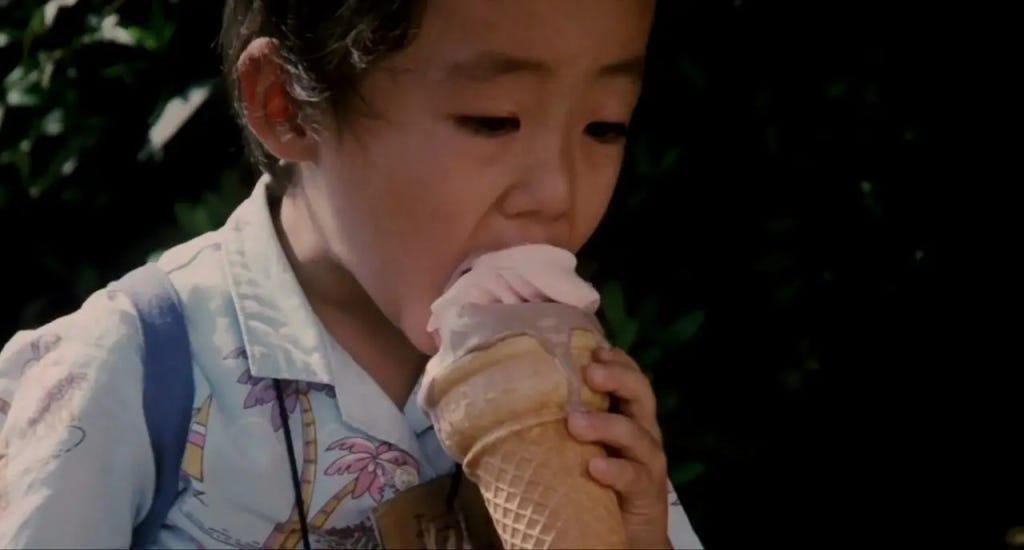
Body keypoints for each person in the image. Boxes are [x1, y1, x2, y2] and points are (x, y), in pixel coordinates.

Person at [0, 1, 702, 548]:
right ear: (286, 105)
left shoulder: (574, 387)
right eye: (494, 121)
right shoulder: (128, 370)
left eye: (605, 127)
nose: (556, 192)